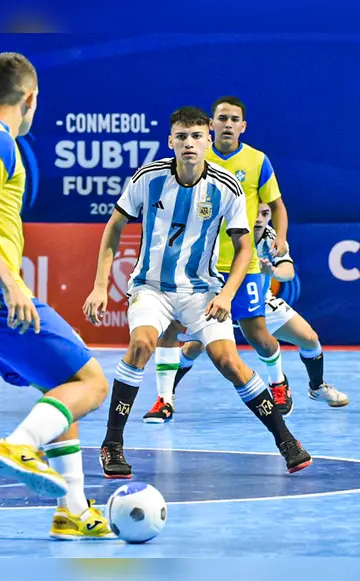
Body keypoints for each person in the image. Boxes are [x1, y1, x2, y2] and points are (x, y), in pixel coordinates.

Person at [0, 52, 113, 541]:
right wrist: (10, 285)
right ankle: (19, 445)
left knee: (61, 387)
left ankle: (73, 510)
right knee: (92, 383)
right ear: (29, 98)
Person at [83, 106, 312, 479]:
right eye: (181, 137)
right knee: (141, 345)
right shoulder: (148, 177)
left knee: (229, 362)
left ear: (208, 139)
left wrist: (226, 295)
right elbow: (113, 227)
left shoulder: (227, 187)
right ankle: (112, 442)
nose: (189, 143)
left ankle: (286, 440)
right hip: (151, 287)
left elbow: (243, 249)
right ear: (170, 141)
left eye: (195, 136)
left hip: (202, 290)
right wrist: (98, 286)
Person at [145, 97, 295, 423]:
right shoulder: (195, 156)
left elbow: (277, 205)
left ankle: (278, 381)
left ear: (243, 125)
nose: (228, 123)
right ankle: (164, 399)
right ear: (210, 126)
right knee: (176, 333)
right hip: (197, 267)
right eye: (222, 118)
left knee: (257, 337)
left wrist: (280, 239)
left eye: (234, 118)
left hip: (243, 264)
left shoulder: (257, 161)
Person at [150, 203, 349, 417]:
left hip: (259, 302)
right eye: (256, 212)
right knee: (192, 348)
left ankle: (316, 388)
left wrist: (272, 270)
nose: (260, 218)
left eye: (265, 213)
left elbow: (288, 272)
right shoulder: (220, 233)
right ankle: (165, 396)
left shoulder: (271, 237)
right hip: (217, 299)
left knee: (310, 338)